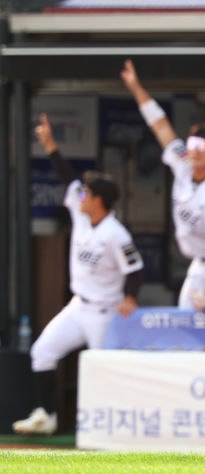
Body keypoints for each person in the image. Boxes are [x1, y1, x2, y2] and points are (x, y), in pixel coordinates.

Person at [13, 114, 144, 435]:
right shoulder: (82, 215)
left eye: (86, 194)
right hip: (78, 306)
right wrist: (50, 145)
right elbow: (67, 178)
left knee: (102, 369)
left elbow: (135, 268)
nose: (80, 197)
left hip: (104, 311)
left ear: (99, 200)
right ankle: (46, 415)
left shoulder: (116, 233)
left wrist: (130, 298)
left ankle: (112, 428)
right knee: (42, 352)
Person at [120, 59, 205, 310]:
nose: (194, 152)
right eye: (192, 145)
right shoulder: (183, 165)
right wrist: (136, 87)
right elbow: (160, 125)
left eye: (203, 147)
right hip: (200, 262)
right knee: (185, 317)